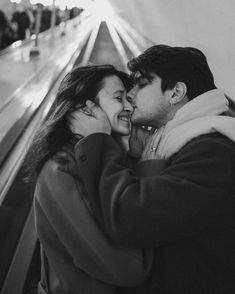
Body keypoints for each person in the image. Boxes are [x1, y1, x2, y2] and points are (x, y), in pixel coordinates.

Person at [70, 45, 235, 293]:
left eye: (141, 84)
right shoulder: (177, 142)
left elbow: (132, 220)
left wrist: (97, 142)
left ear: (176, 92)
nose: (130, 95)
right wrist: (138, 159)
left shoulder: (214, 152)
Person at [26, 65, 154, 294]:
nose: (128, 107)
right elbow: (128, 267)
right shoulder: (60, 171)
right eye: (118, 98)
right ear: (86, 109)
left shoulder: (111, 157)